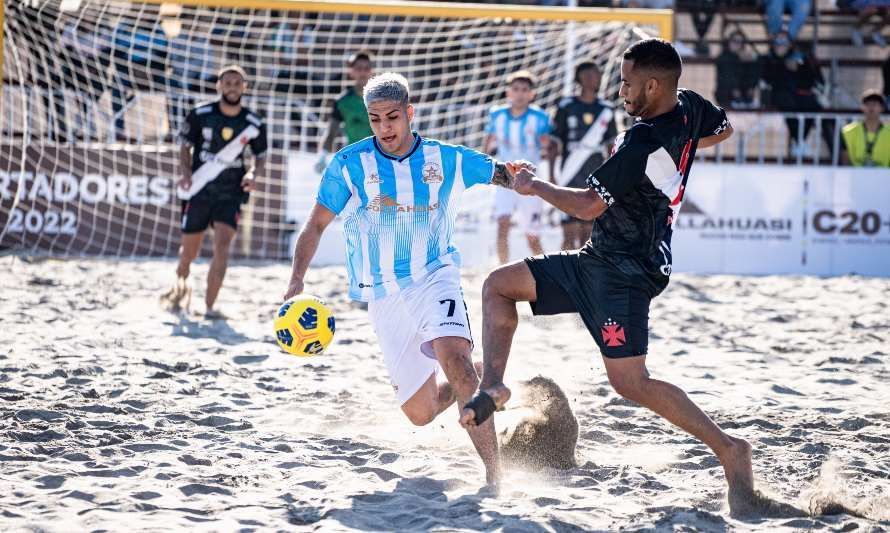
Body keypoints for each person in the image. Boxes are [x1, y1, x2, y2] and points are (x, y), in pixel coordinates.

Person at [460, 39, 759, 515]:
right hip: (596, 259)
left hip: (624, 274)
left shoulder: (642, 141)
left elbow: (586, 204)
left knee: (631, 382)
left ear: (654, 85)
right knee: (498, 285)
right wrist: (677, 152)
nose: (620, 90)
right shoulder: (690, 106)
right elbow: (721, 129)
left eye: (626, 82)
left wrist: (532, 185)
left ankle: (729, 448)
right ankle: (493, 384)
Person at [283, 72, 523, 485]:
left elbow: (505, 174)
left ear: (410, 112)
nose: (384, 128)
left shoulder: (444, 158)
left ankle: (495, 475)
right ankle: (479, 373)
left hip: (435, 275)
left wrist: (523, 177)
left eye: (392, 117)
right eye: (375, 119)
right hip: (383, 292)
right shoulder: (349, 165)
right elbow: (316, 224)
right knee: (420, 412)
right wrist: (296, 281)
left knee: (456, 360)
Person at [160, 65, 268, 318]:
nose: (232, 87)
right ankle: (179, 288)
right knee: (189, 252)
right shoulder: (200, 114)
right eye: (227, 82)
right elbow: (185, 147)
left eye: (237, 82)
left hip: (231, 193)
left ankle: (209, 307)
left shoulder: (253, 122)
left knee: (223, 245)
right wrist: (186, 174)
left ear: (245, 87)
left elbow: (261, 156)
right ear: (219, 86)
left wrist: (253, 174)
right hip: (199, 189)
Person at [485, 70, 553, 264]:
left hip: (530, 181)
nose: (520, 93)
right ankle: (502, 267)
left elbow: (548, 145)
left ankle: (544, 271)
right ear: (508, 92)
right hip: (504, 178)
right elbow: (488, 143)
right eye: (515, 89)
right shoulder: (497, 114)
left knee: (532, 235)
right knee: (502, 225)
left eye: (525, 89)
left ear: (531, 94)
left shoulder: (540, 117)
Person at [550, 60, 617, 250]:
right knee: (569, 232)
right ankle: (564, 276)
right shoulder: (566, 105)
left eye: (597, 75)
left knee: (589, 231)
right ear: (580, 79)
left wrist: (612, 176)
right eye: (589, 75)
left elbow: (611, 145)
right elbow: (555, 144)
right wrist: (553, 174)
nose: (594, 79)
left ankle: (583, 277)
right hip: (569, 173)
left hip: (595, 173)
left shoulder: (606, 109)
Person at [759, 32, 834, 158]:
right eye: (778, 42)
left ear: (790, 45)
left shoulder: (799, 60)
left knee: (814, 107)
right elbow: (766, 79)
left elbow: (809, 82)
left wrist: (798, 69)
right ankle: (799, 141)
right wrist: (783, 67)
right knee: (788, 103)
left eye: (784, 43)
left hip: (798, 96)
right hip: (778, 96)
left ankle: (800, 141)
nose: (780, 46)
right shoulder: (768, 59)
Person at [315, 51, 374, 173]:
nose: (363, 72)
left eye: (366, 68)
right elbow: (330, 132)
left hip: (381, 159)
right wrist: (322, 156)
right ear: (351, 72)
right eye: (359, 68)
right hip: (354, 161)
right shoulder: (342, 102)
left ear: (371, 71)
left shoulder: (382, 99)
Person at [841, 90, 890, 167]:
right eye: (867, 104)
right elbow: (845, 161)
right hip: (856, 176)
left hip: (884, 177)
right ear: (862, 107)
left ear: (882, 108)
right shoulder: (848, 131)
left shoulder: (888, 132)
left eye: (875, 104)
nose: (871, 107)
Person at [714, 30, 760, 108]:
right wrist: (735, 90)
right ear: (729, 42)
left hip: (743, 97)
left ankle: (747, 96)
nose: (737, 44)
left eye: (740, 42)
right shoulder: (722, 58)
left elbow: (756, 67)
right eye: (734, 41)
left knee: (753, 64)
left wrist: (753, 57)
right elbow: (726, 76)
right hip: (726, 97)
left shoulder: (745, 58)